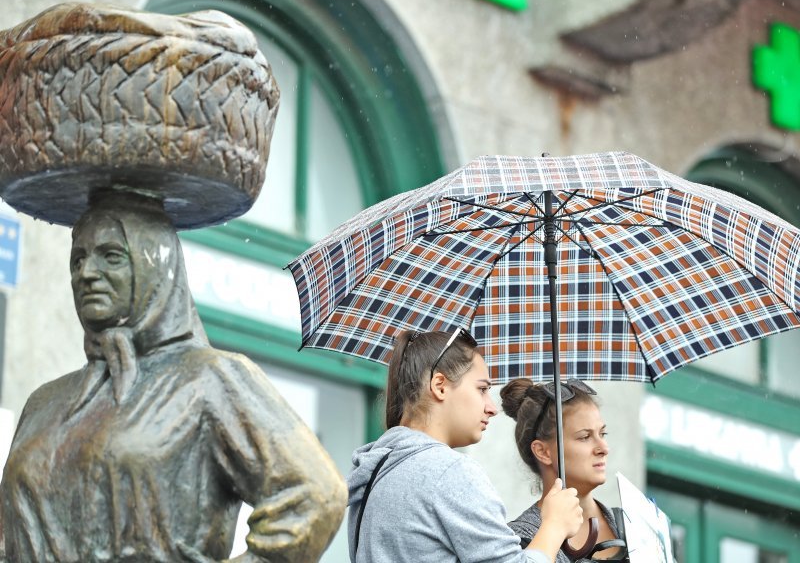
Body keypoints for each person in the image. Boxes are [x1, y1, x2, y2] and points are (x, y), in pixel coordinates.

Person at [0, 193, 346, 562]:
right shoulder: (44, 402)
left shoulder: (210, 379)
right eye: (78, 259)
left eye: (112, 256)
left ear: (155, 267)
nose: (86, 273)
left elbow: (317, 495)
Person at [347, 329, 584, 563]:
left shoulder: (377, 471)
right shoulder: (448, 472)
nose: (492, 407)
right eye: (482, 389)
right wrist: (554, 526)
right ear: (440, 385)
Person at [500, 378, 622, 562]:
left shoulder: (633, 524)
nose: (604, 448)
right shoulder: (520, 541)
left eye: (602, 434)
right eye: (585, 437)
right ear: (543, 452)